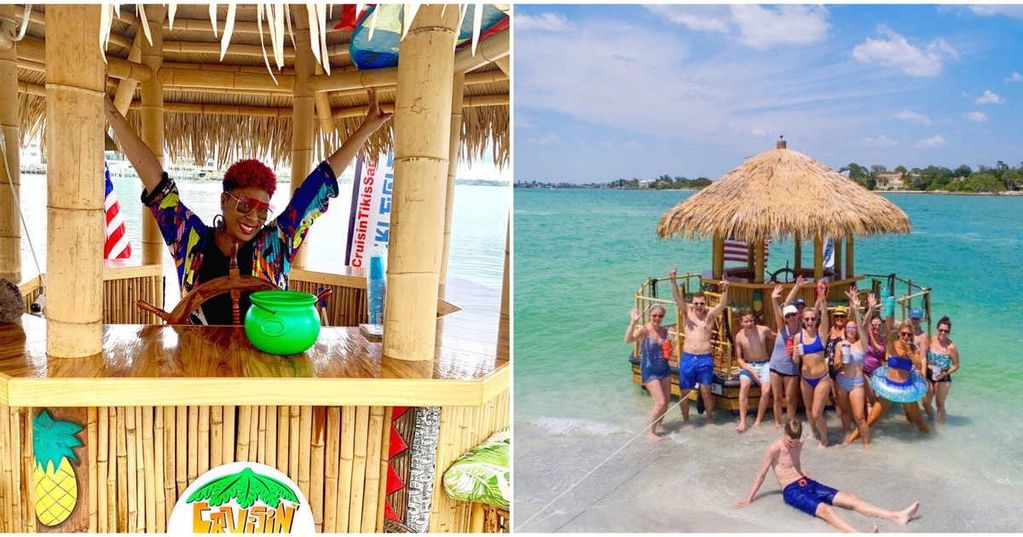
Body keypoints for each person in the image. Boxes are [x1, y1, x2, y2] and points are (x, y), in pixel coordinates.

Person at [104, 89, 391, 324]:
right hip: (200, 365)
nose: (253, 217)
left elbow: (319, 185)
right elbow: (155, 182)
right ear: (224, 201)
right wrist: (110, 112)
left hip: (263, 369)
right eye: (244, 205)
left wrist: (366, 128)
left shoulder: (277, 242)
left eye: (262, 210)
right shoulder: (191, 241)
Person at [736, 419, 920, 532]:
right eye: (788, 441)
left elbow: (798, 457)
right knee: (825, 510)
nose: (792, 444)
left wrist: (803, 474)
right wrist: (749, 499)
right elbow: (761, 474)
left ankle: (897, 516)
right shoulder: (774, 448)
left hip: (805, 482)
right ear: (783, 433)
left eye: (795, 441)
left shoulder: (799, 442)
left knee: (851, 498)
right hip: (791, 490)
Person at [845, 297, 930, 444]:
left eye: (909, 335)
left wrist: (909, 351)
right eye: (903, 333)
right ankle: (847, 443)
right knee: (870, 420)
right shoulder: (892, 344)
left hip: (905, 390)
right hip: (889, 389)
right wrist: (889, 308)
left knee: (920, 423)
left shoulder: (913, 349)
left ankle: (930, 446)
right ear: (900, 333)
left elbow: (918, 364)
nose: (906, 336)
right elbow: (889, 328)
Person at [670, 268, 729, 424]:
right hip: (688, 358)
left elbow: (722, 304)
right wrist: (673, 280)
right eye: (696, 303)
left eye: (701, 303)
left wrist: (726, 289)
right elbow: (677, 298)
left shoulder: (709, 316)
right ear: (692, 303)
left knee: (706, 391)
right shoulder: (687, 313)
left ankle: (709, 419)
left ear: (705, 303)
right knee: (684, 392)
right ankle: (686, 421)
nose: (698, 306)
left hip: (705, 359)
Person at [625, 305, 674, 439]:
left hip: (664, 368)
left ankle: (659, 424)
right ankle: (650, 432)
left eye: (660, 316)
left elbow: (668, 350)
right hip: (650, 370)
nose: (657, 318)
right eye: (654, 315)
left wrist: (670, 349)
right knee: (660, 402)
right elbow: (628, 340)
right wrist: (633, 321)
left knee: (667, 401)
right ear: (650, 315)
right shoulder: (645, 330)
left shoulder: (665, 331)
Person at [793, 280, 831, 447]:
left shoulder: (821, 334)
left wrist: (822, 298)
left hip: (822, 378)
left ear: (816, 321)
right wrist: (795, 354)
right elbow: (796, 361)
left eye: (812, 319)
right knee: (808, 410)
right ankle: (814, 432)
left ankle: (824, 439)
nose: (810, 322)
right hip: (805, 379)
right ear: (803, 320)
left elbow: (824, 315)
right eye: (807, 319)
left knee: (816, 413)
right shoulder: (798, 337)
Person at [836, 288, 872, 448]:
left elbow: (860, 325)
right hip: (841, 380)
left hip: (857, 383)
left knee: (859, 416)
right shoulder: (840, 344)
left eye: (853, 328)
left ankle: (866, 444)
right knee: (844, 412)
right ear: (845, 331)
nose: (851, 330)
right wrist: (841, 362)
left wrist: (856, 309)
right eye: (848, 328)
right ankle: (847, 435)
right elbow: (836, 365)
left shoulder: (862, 343)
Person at [768, 279, 806, 426]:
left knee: (790, 398)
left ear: (798, 315)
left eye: (793, 315)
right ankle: (777, 423)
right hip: (775, 367)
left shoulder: (803, 332)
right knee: (777, 397)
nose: (790, 318)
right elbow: (778, 310)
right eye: (787, 316)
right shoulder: (782, 328)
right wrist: (773, 300)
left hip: (791, 368)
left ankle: (790, 422)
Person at [734, 310, 775, 433]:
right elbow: (739, 359)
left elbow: (776, 337)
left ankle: (758, 420)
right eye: (746, 321)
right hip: (748, 365)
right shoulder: (739, 336)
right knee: (744, 386)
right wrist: (751, 371)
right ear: (741, 323)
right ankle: (742, 421)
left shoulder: (763, 330)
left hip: (764, 364)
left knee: (766, 390)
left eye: (751, 320)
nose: (749, 323)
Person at [923, 316, 959, 423]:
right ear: (937, 329)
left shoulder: (951, 347)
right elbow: (922, 356)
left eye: (946, 331)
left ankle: (942, 427)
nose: (943, 333)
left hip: (943, 377)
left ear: (949, 332)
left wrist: (945, 373)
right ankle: (931, 420)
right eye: (941, 330)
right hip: (929, 374)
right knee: (925, 402)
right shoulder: (930, 340)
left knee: (939, 404)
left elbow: (956, 365)